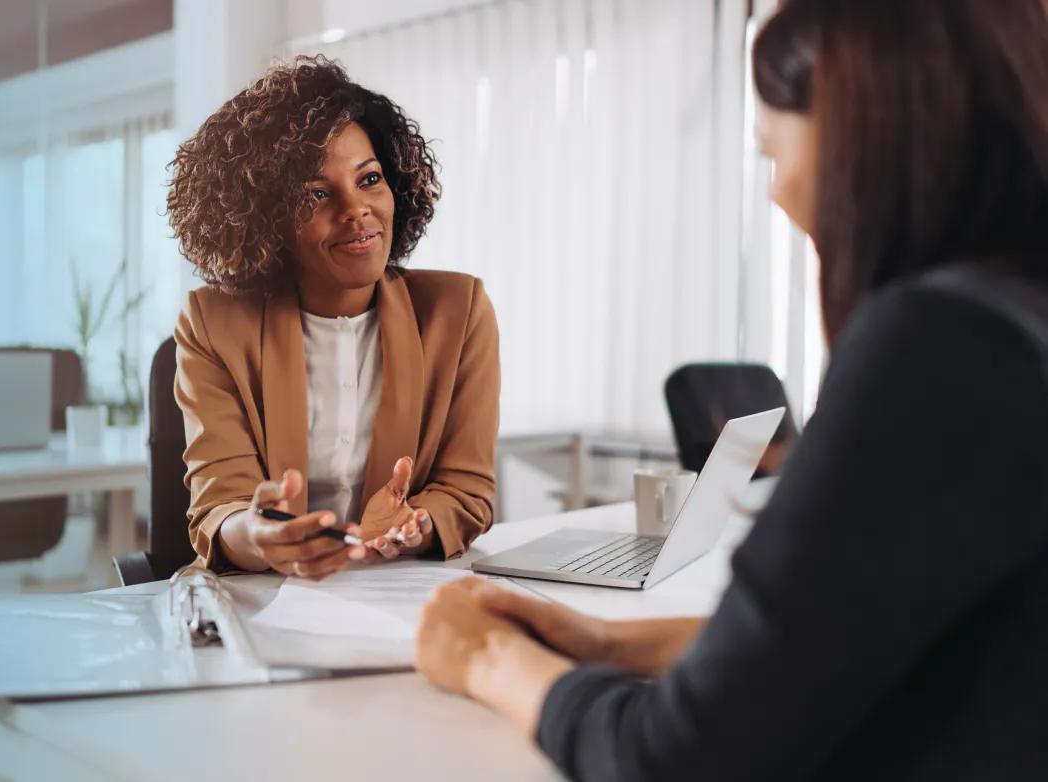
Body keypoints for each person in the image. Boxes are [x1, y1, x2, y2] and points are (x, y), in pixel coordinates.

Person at [415, 0, 1048, 778]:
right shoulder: (1014, 320)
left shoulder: (940, 346)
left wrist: (488, 661)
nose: (779, 194)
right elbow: (839, 642)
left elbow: (681, 759)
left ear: (865, 133)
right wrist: (608, 643)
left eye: (773, 152)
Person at [168, 56, 499, 579]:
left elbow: (467, 490)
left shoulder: (457, 312)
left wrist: (416, 526)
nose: (356, 209)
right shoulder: (213, 322)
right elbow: (220, 507)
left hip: (401, 594)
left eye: (369, 179)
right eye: (317, 194)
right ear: (267, 217)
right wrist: (263, 537)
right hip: (263, 598)